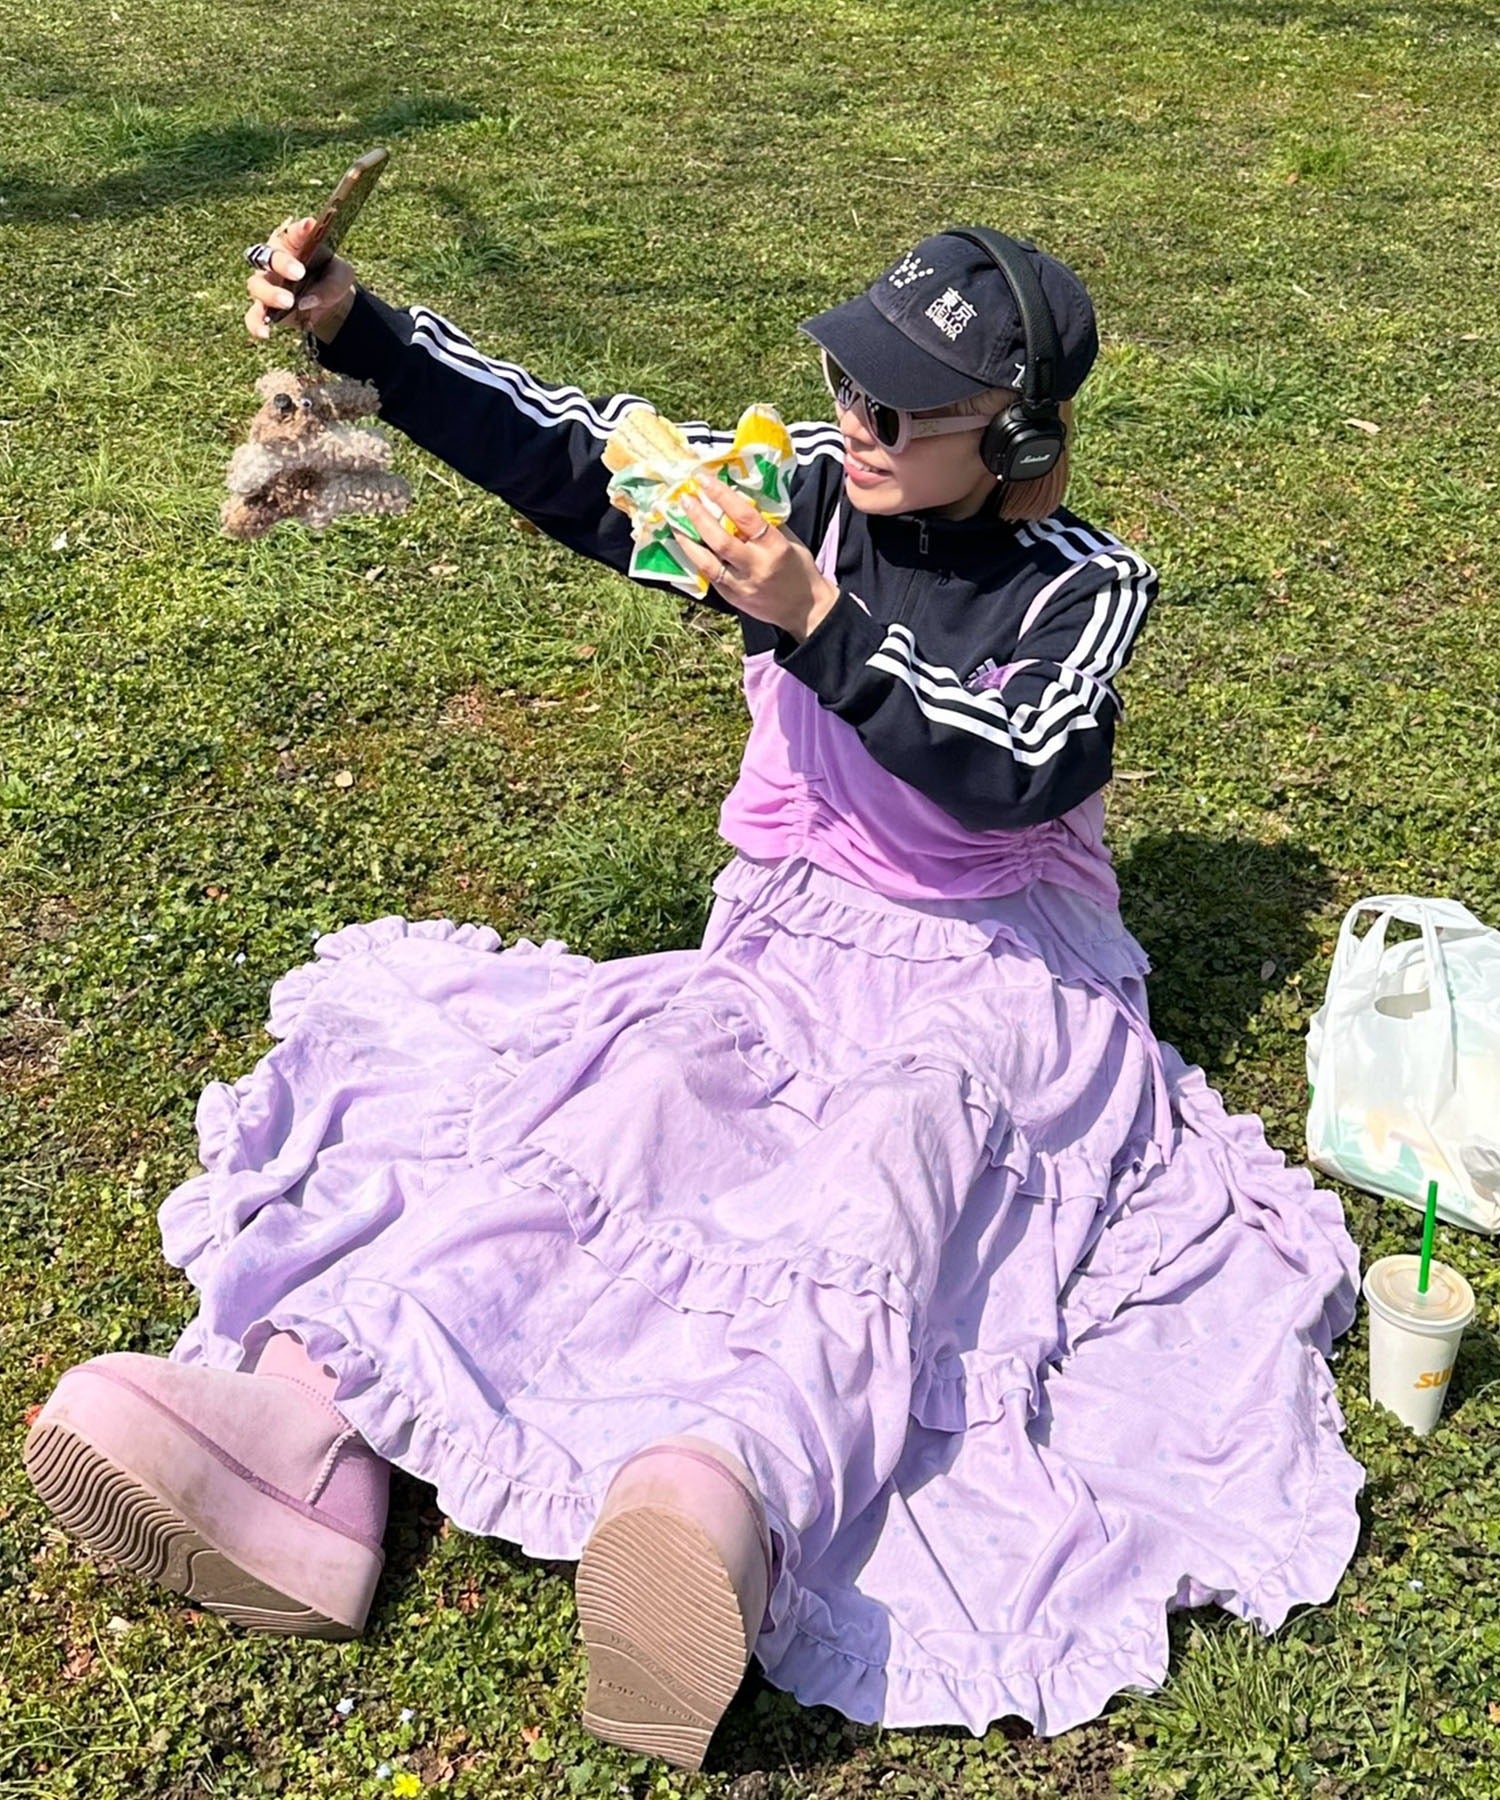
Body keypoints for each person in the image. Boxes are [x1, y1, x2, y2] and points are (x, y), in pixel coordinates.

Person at [25, 219, 1364, 1772]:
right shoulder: (799, 487)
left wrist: (819, 623)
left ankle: (718, 1499)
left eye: (897, 408)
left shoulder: (1085, 589)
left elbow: (1014, 766)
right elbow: (573, 453)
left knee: (898, 1164)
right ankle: (317, 1427)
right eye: (847, 385)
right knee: (628, 1099)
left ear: (1011, 437)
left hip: (1002, 980)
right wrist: (355, 327)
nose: (855, 424)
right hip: (784, 944)